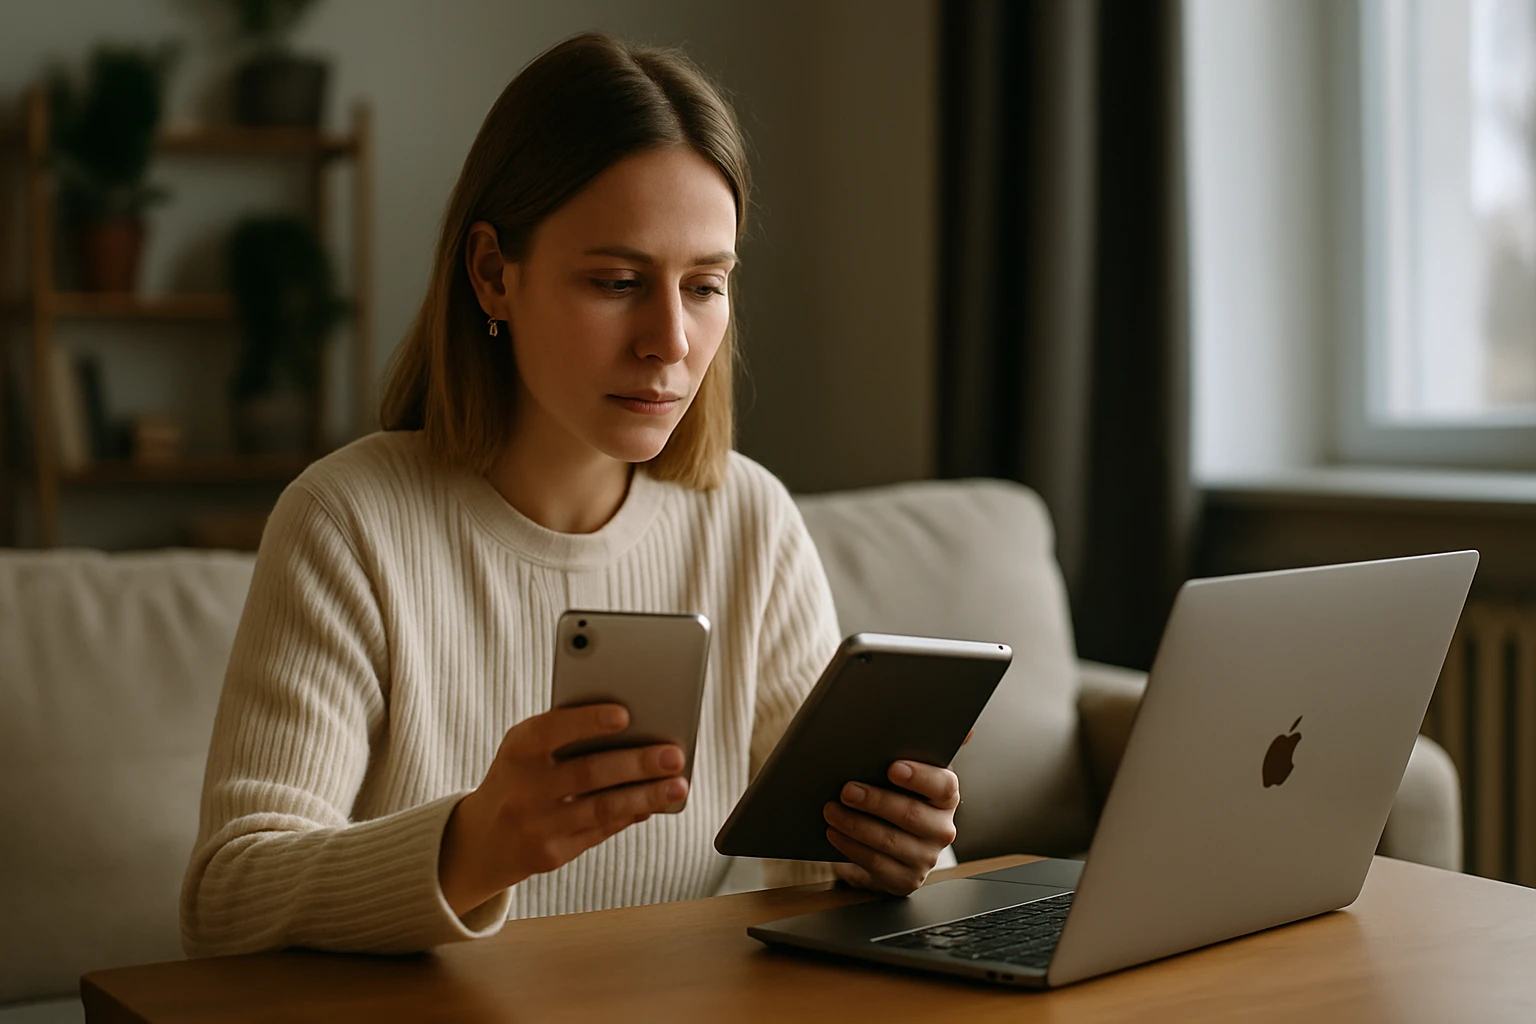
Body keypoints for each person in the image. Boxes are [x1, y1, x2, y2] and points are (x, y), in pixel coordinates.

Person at [180, 32, 961, 957]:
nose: (670, 340)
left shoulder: (749, 521)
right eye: (618, 281)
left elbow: (823, 871)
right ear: (491, 274)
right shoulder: (348, 524)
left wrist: (893, 852)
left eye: (704, 285)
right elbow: (225, 902)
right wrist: (470, 848)